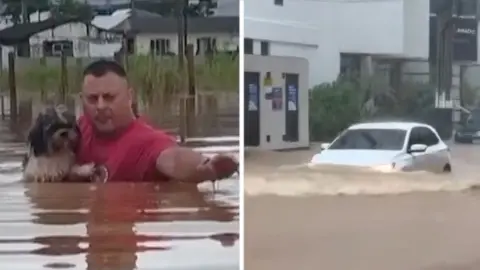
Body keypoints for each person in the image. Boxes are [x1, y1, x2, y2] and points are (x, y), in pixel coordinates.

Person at [76, 59, 238, 183]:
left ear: (129, 97)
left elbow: (173, 158)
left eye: (109, 97)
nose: (101, 106)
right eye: (92, 99)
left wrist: (208, 168)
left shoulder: (147, 142)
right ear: (82, 100)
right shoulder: (75, 131)